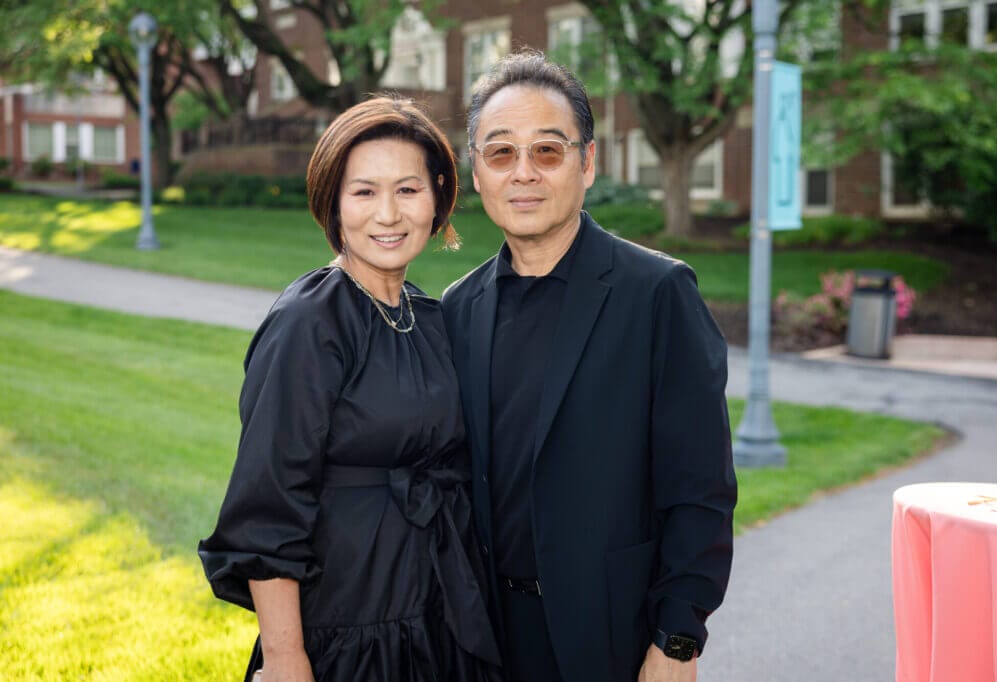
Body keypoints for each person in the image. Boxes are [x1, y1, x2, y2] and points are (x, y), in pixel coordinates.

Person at [441, 51, 737, 682]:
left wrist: (677, 640)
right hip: (484, 640)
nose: (524, 173)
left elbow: (700, 488)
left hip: (614, 639)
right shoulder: (458, 309)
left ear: (588, 162)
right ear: (477, 170)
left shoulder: (657, 294)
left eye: (547, 151)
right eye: (500, 153)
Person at [198, 96, 501, 682]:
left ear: (438, 196)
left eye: (408, 190)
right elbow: (267, 508)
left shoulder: (431, 317)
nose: (388, 214)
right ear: (333, 202)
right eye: (364, 192)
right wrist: (287, 659)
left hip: (439, 620)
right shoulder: (311, 322)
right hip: (348, 633)